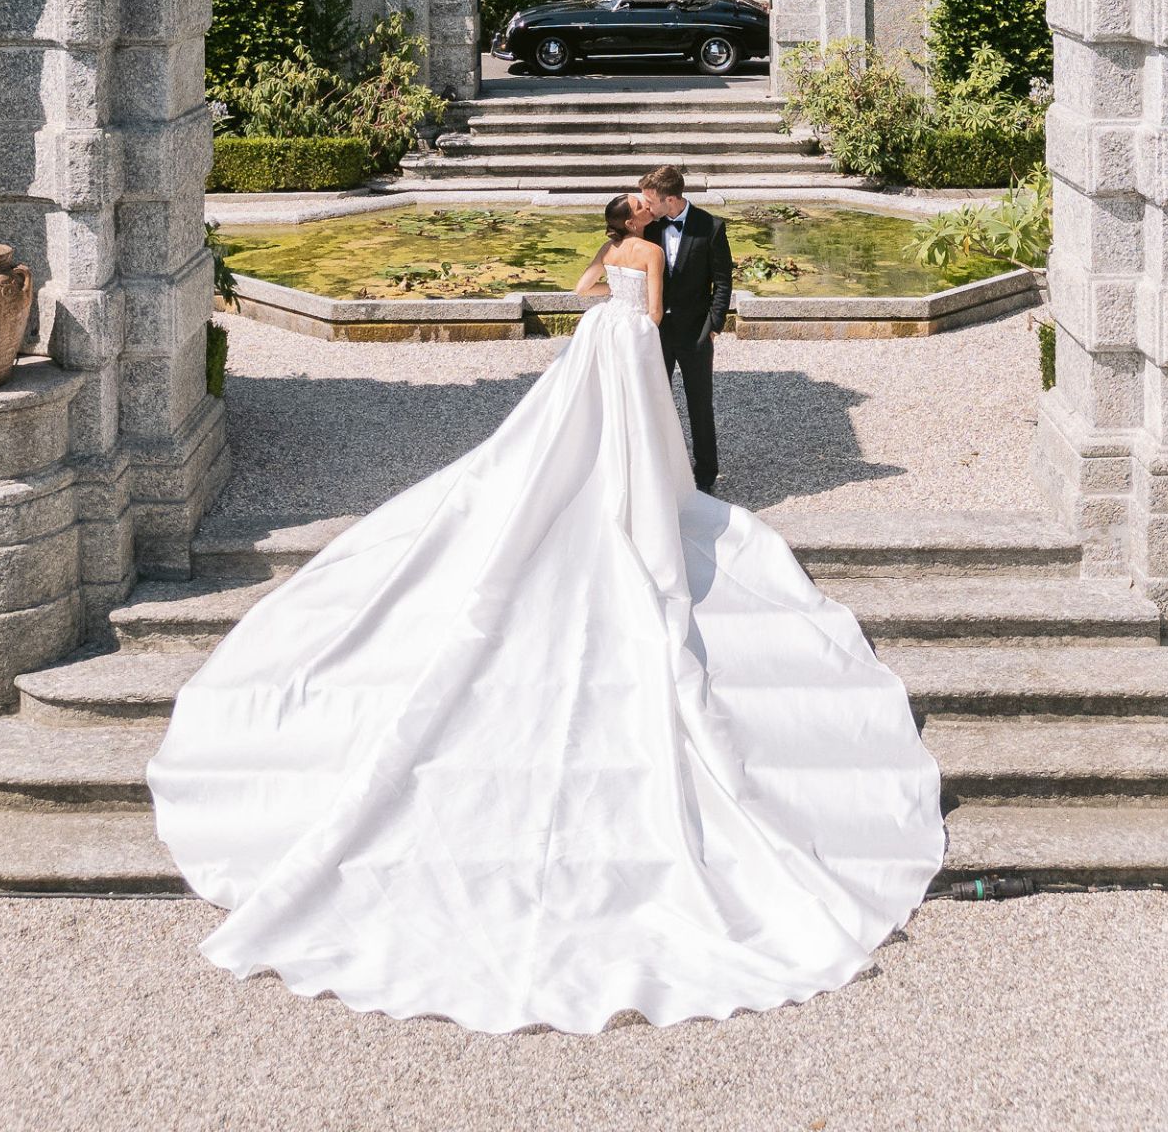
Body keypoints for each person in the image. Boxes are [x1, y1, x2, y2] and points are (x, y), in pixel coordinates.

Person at [147, 191, 944, 1035]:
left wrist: (609, 301)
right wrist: (644, 314)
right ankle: (636, 490)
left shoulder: (609, 251)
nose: (646, 210)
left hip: (597, 339)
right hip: (630, 345)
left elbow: (583, 288)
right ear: (642, 222)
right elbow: (660, 307)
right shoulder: (650, 253)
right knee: (640, 438)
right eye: (642, 207)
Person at [636, 163, 729, 492]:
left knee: (699, 405)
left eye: (650, 201)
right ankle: (658, 471)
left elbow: (722, 283)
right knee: (652, 402)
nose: (646, 206)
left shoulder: (711, 227)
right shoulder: (650, 227)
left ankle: (706, 475)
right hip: (657, 332)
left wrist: (714, 326)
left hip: (696, 332)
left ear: (671, 199)